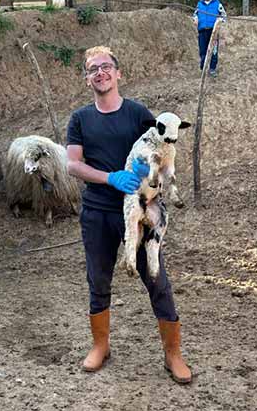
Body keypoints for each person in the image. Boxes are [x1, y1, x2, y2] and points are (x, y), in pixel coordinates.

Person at [65, 46, 192, 384]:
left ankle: (173, 353)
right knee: (98, 279)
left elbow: (164, 151)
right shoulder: (80, 119)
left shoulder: (139, 113)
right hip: (98, 211)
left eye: (106, 67)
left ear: (118, 74)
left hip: (142, 206)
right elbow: (72, 164)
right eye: (93, 69)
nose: (100, 73)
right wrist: (109, 177)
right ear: (87, 78)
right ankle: (101, 345)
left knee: (157, 279)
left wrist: (153, 179)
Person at [192, 0, 227, 77]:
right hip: (202, 31)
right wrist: (195, 18)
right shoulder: (200, 5)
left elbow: (224, 15)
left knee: (213, 51)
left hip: (213, 32)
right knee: (203, 50)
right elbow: (195, 14)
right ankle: (203, 66)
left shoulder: (217, 4)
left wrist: (220, 20)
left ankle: (212, 69)